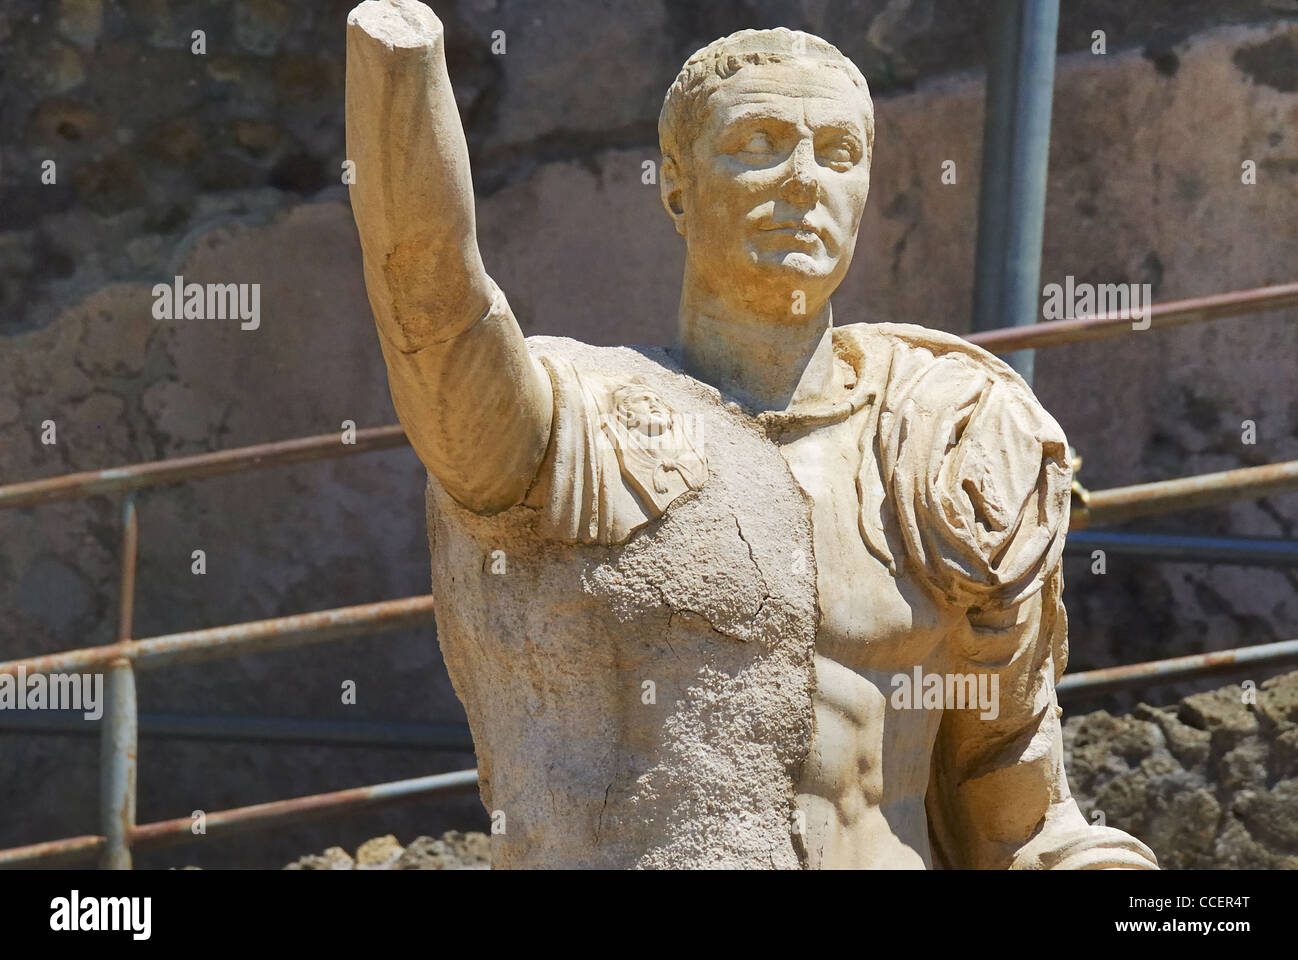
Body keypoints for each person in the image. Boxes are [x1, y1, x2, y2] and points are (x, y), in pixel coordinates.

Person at [345, 0, 1158, 869]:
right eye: (759, 144)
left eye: (838, 152)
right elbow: (434, 305)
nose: (805, 179)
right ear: (676, 186)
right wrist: (403, 68)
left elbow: (1019, 806)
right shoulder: (575, 419)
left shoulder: (943, 437)